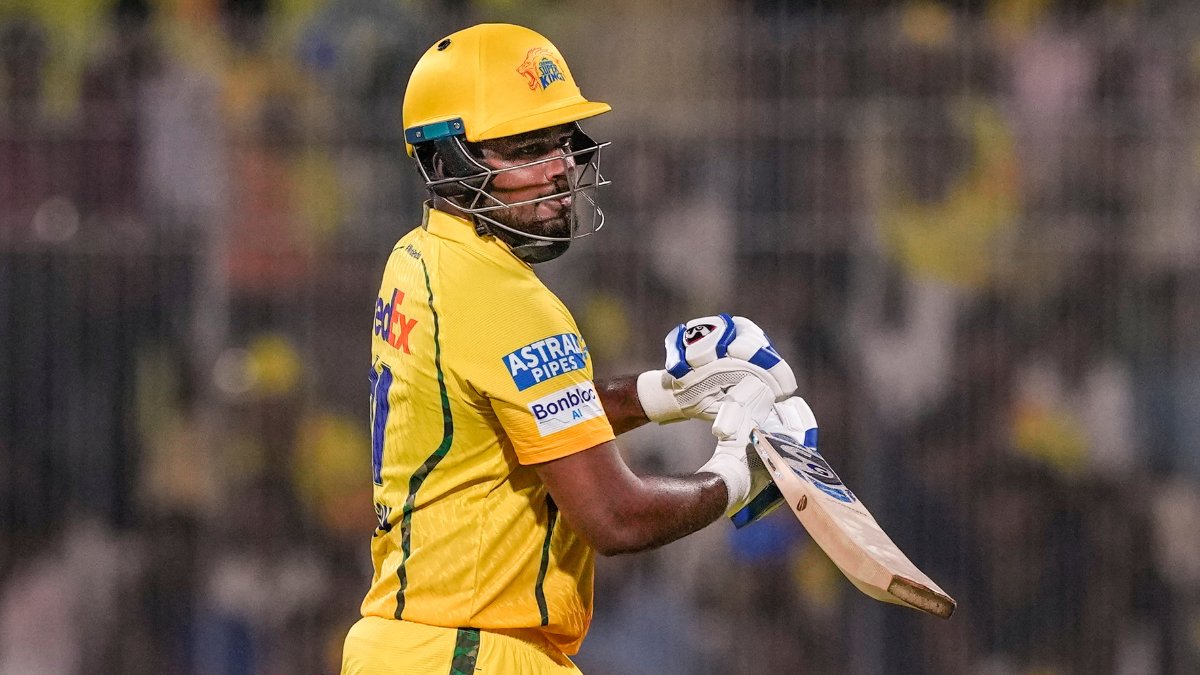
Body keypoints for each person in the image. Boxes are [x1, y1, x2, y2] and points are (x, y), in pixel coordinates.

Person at [341, 23, 802, 674]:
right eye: (526, 148)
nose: (558, 167)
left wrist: (670, 391)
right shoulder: (507, 300)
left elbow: (531, 420)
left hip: (415, 644)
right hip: (471, 651)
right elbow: (616, 517)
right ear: (446, 161)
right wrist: (743, 469)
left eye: (560, 142)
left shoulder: (416, 258)